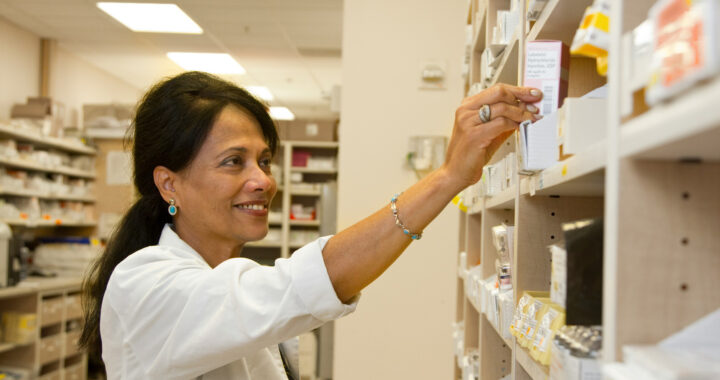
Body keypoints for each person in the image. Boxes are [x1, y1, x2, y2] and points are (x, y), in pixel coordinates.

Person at [79, 71, 542, 379]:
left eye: (263, 160)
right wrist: (447, 178)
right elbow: (301, 285)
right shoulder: (143, 283)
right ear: (169, 184)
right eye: (232, 162)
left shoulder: (229, 280)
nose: (262, 180)